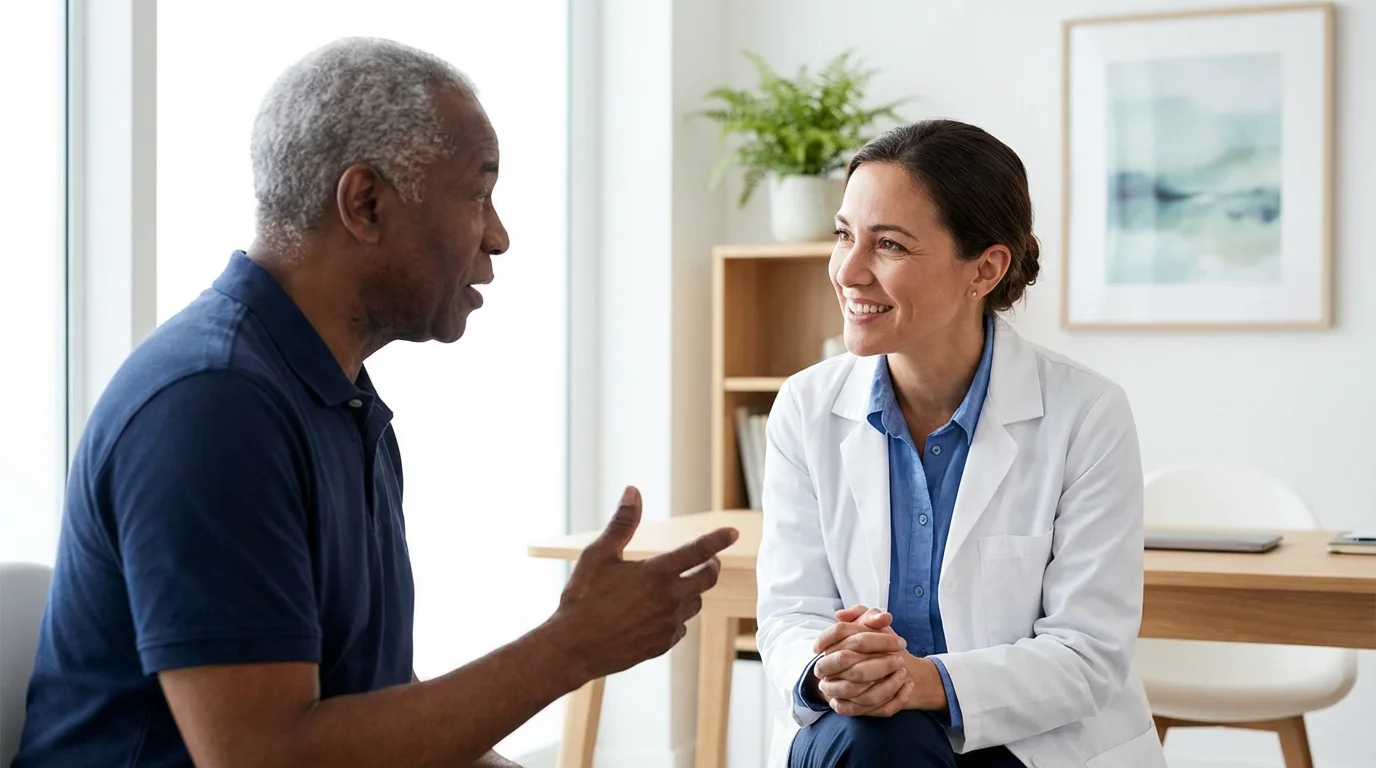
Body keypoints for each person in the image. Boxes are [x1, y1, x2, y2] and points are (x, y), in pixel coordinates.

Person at [15, 37, 737, 768]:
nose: (499, 236)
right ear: (365, 204)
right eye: (478, 194)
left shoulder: (341, 400)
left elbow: (376, 706)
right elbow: (262, 757)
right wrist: (569, 648)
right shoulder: (212, 407)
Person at [754, 120, 1166, 768]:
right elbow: (788, 615)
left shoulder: (1086, 413)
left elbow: (1087, 652)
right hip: (861, 734)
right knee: (879, 739)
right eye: (843, 236)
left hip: (1031, 743)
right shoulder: (805, 409)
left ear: (985, 268)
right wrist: (829, 669)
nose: (848, 271)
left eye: (888, 244)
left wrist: (925, 682)